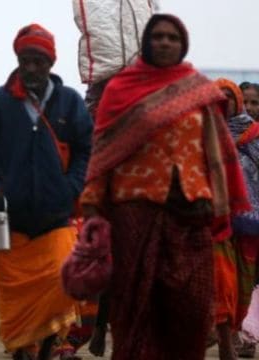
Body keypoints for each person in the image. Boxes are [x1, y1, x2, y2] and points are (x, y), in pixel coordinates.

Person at [80, 15, 249, 359]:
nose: (165, 42)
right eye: (157, 36)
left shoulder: (197, 89)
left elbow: (217, 149)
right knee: (135, 304)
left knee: (192, 307)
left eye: (173, 37)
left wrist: (218, 202)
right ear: (146, 42)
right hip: (134, 214)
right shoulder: (120, 90)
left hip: (191, 211)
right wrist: (93, 206)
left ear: (183, 43)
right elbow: (104, 152)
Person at [0, 23, 93, 359]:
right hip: (10, 219)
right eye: (27, 60)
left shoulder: (69, 102)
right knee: (15, 298)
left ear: (51, 63)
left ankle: (49, 347)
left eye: (40, 61)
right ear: (18, 60)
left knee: (60, 284)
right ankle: (24, 350)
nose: (33, 68)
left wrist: (71, 187)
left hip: (56, 215)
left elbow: (85, 149)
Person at [217, 78, 259, 359]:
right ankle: (226, 338)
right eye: (217, 96)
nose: (223, 102)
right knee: (222, 280)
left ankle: (240, 332)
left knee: (245, 281)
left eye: (228, 97)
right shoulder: (203, 131)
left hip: (251, 221)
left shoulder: (254, 133)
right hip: (216, 221)